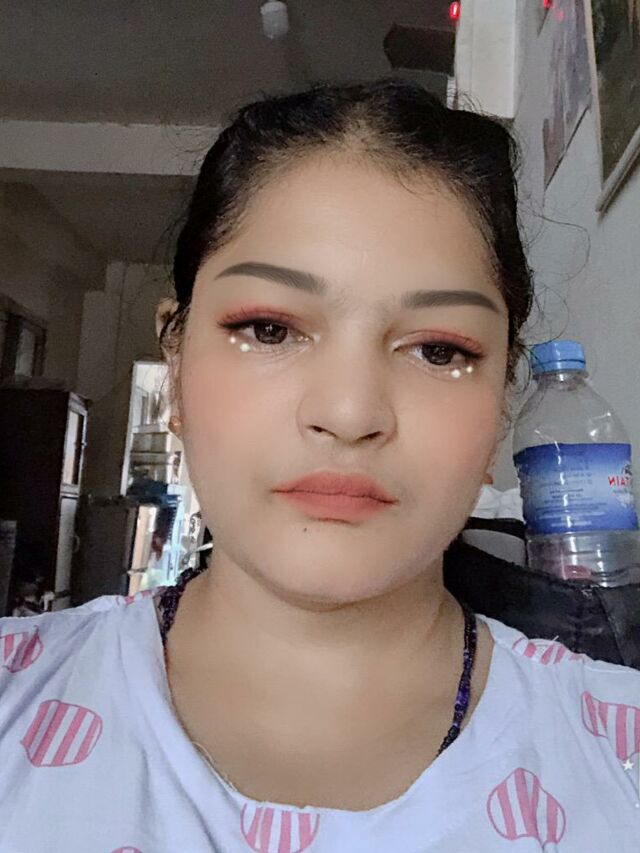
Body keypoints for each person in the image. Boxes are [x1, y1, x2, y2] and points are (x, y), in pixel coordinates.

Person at [1, 79, 639, 853]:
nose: (348, 410)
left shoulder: (621, 755)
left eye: (440, 349)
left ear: (504, 396)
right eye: (269, 328)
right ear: (176, 361)